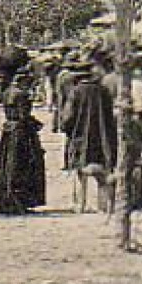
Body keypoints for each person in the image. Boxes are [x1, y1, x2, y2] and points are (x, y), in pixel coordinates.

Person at [58, 60, 116, 213]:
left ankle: (81, 204)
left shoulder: (75, 92)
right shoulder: (103, 91)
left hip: (80, 137)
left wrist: (65, 128)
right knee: (102, 172)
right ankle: (104, 205)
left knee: (81, 172)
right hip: (102, 136)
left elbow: (68, 117)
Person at [0, 80, 47, 214]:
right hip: (22, 133)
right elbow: (24, 116)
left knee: (7, 166)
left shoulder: (7, 92)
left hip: (9, 131)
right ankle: (19, 202)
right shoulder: (22, 95)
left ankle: (6, 201)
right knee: (22, 167)